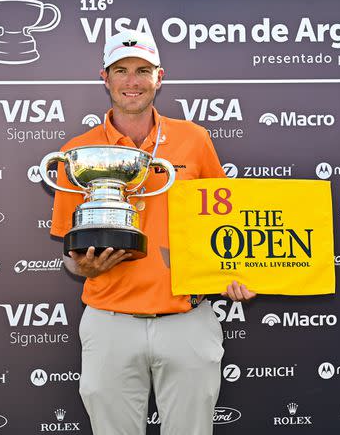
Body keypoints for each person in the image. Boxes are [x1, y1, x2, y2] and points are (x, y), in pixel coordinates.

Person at [50, 29, 255, 435]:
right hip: (110, 321)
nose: (132, 81)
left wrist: (240, 271)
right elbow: (69, 252)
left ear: (159, 76)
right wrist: (85, 269)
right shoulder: (79, 152)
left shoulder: (194, 140)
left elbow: (223, 222)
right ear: (104, 78)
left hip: (186, 319)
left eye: (142, 70)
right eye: (121, 70)